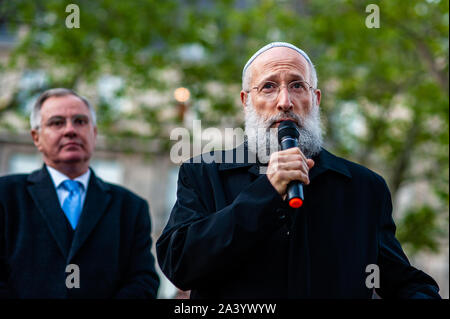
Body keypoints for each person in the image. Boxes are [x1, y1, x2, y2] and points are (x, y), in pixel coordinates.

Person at [156, 42, 441, 299]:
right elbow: (180, 264)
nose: (284, 102)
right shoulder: (203, 174)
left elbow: (402, 282)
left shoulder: (363, 188)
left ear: (315, 98)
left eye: (297, 86)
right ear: (245, 101)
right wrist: (266, 191)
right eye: (268, 86)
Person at [0, 88, 159, 298]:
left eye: (80, 121)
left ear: (94, 133)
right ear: (36, 137)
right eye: (57, 122)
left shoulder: (131, 207)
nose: (70, 130)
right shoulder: (5, 195)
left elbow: (143, 279)